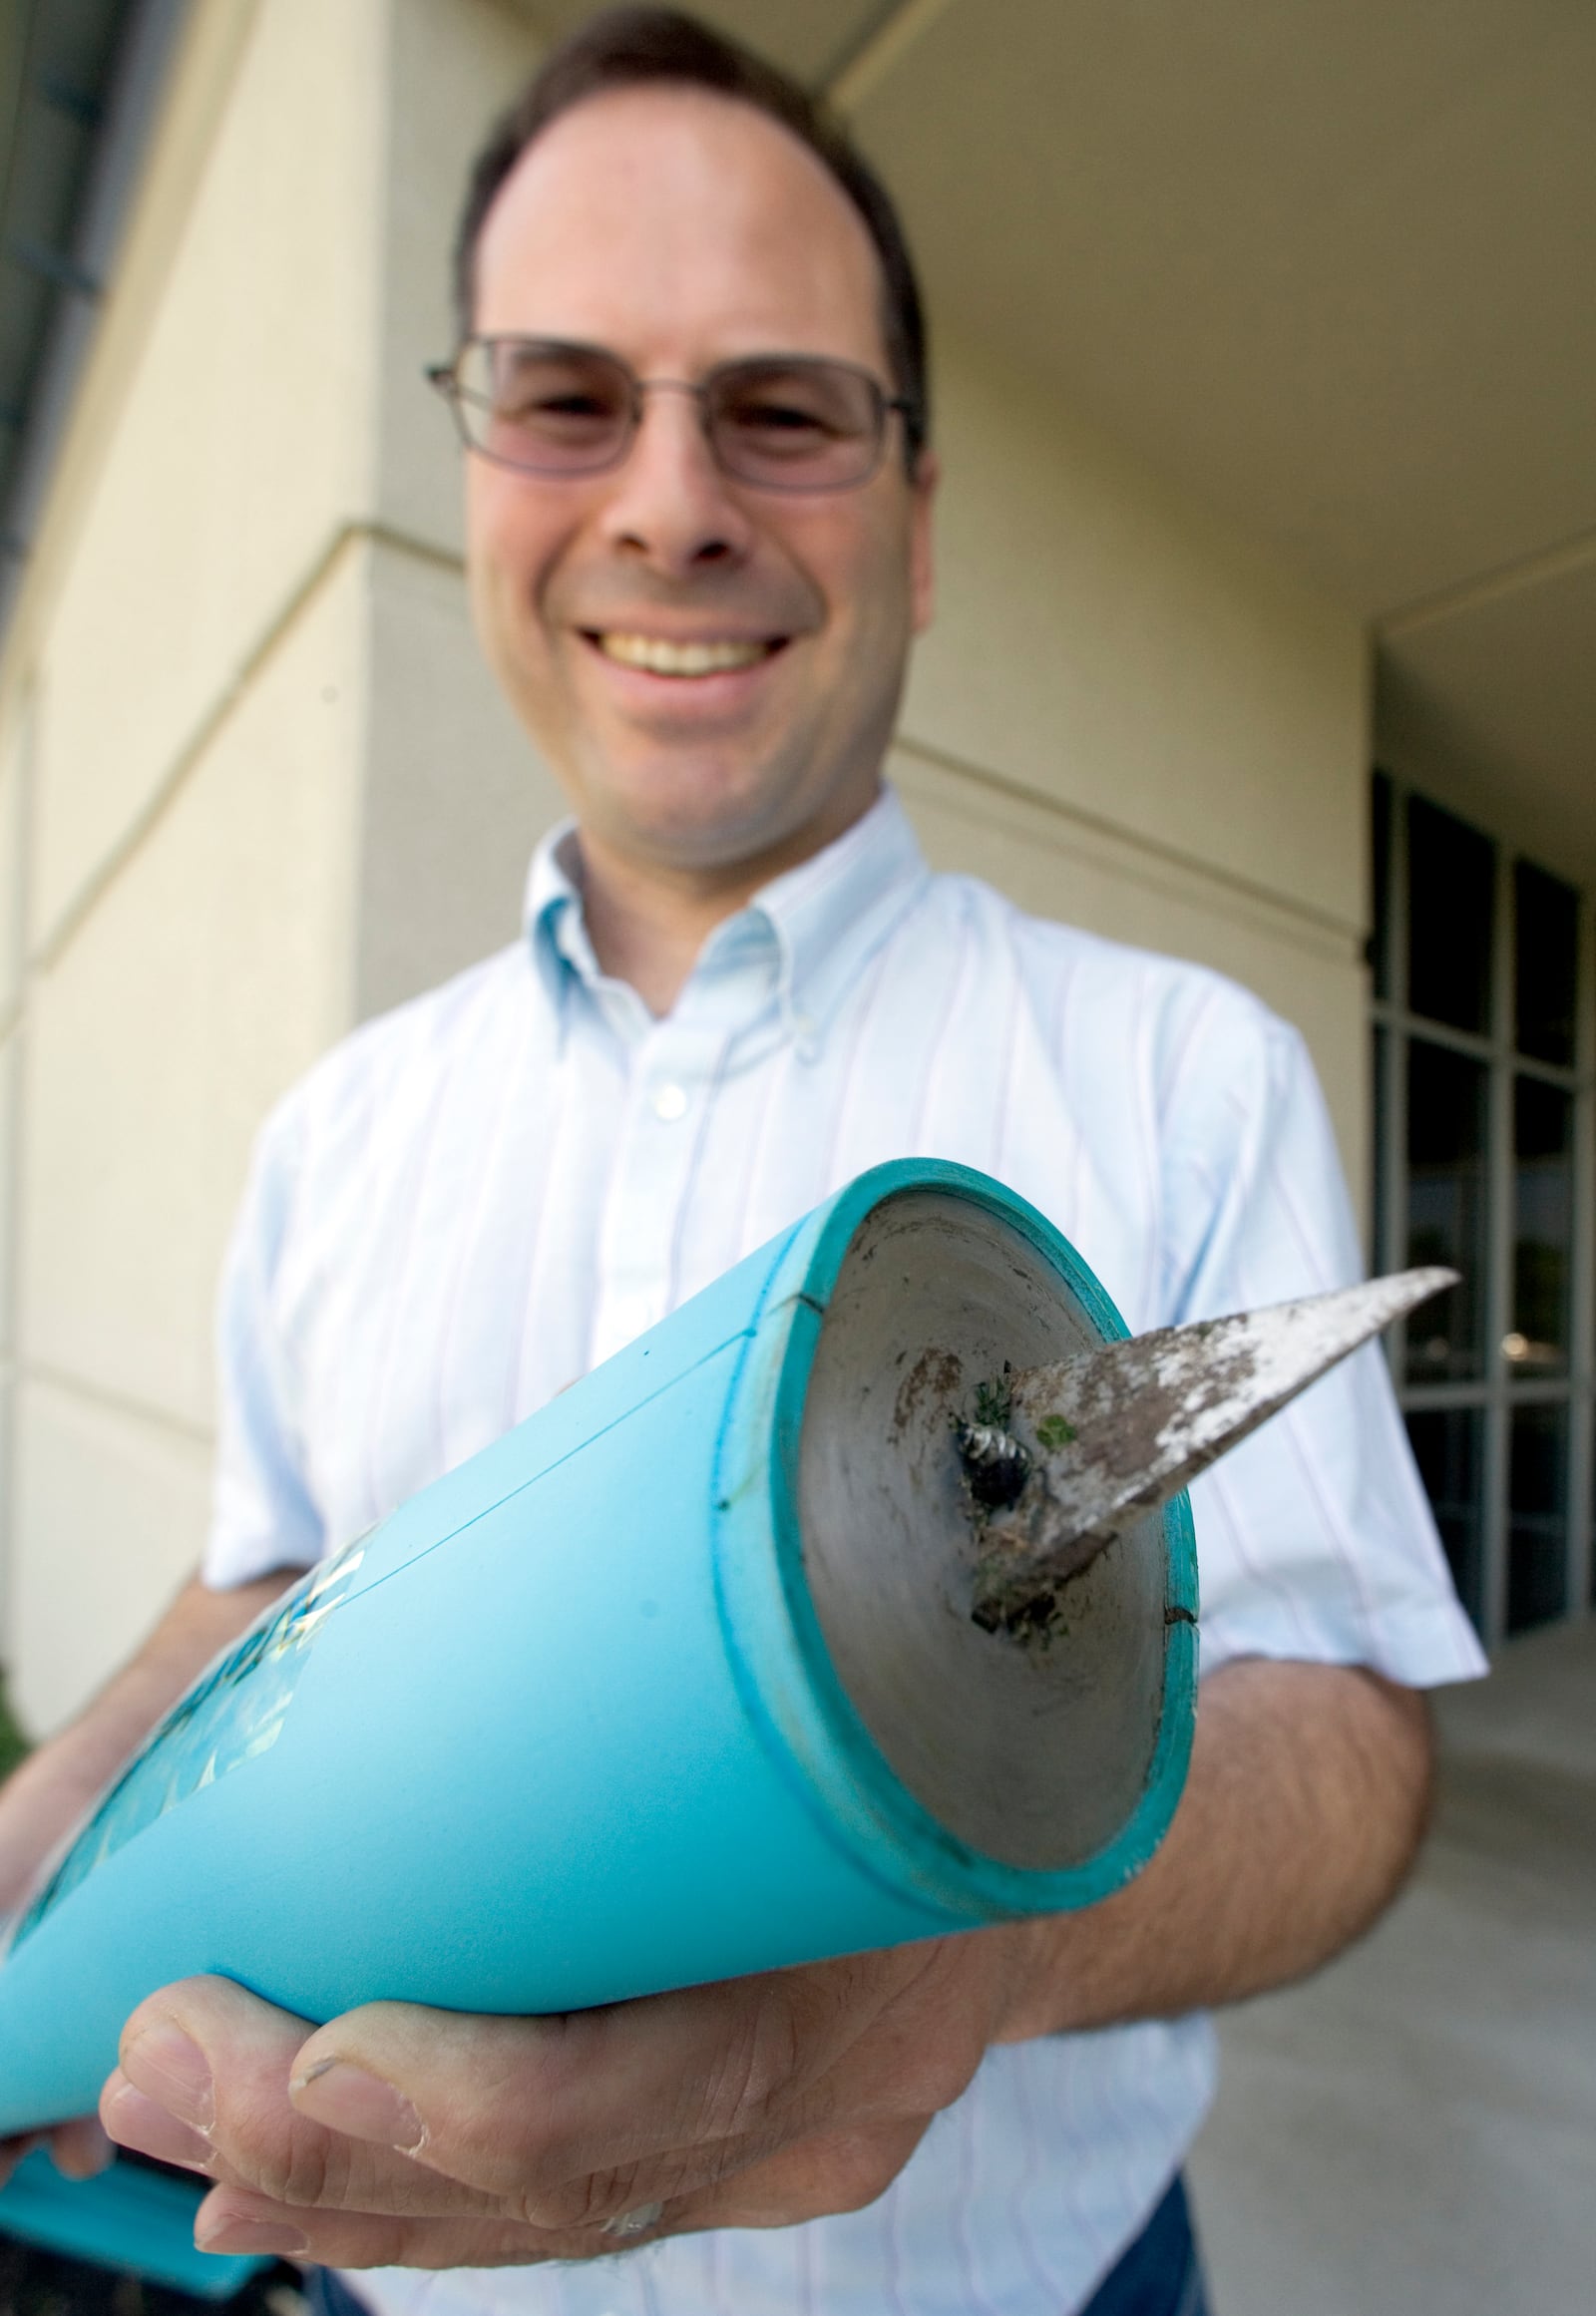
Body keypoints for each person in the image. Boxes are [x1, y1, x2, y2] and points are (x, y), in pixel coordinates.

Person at [0, 11, 1483, 2314]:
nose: (671, 499)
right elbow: (263, 1579)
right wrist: (76, 1791)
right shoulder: (340, 1136)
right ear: (476, 454)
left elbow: (1339, 1738)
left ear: (912, 509)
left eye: (778, 408)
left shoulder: (1181, 1074)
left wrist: (973, 1937)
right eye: (566, 395)